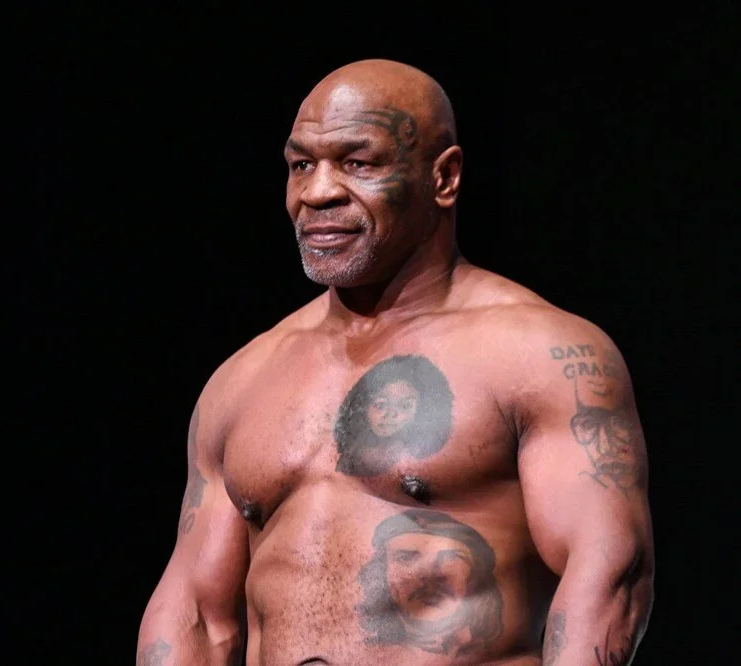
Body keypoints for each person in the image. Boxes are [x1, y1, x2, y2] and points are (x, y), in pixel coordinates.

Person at [136, 58, 654, 665]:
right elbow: (196, 610)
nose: (318, 192)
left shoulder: (538, 354)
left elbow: (607, 575)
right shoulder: (242, 380)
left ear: (444, 178)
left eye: (358, 163)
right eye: (301, 165)